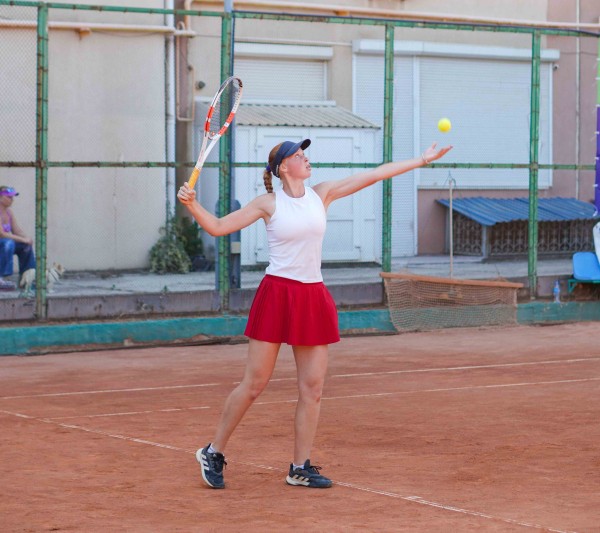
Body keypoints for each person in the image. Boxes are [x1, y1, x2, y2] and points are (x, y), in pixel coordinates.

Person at [177, 139, 452, 489]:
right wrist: (193, 204)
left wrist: (422, 160)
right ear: (283, 167)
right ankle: (213, 451)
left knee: (313, 388)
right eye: (298, 155)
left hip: (311, 295)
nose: (306, 159)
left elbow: (374, 175)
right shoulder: (267, 203)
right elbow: (218, 227)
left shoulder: (322, 194)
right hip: (277, 294)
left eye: (304, 154)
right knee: (255, 384)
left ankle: (299, 467)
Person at [0, 186, 36, 291]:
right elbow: (2, 234)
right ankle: (2, 278)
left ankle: (26, 280)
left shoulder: (9, 212)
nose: (12, 200)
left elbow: (16, 230)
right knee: (8, 243)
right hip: (4, 243)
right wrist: (22, 239)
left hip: (4, 243)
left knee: (26, 246)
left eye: (12, 197)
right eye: (9, 197)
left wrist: (26, 238)